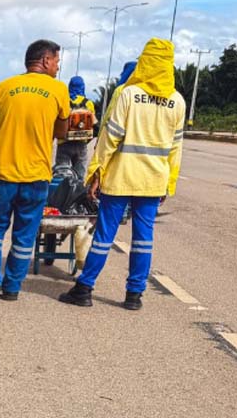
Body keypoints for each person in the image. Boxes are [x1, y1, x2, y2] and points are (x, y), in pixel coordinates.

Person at [58, 38, 184, 311]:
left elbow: (110, 138)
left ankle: (85, 288)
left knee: (104, 234)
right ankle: (134, 295)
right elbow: (176, 149)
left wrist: (95, 172)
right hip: (153, 182)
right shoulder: (177, 102)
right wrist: (169, 184)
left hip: (121, 177)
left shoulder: (129, 94)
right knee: (143, 239)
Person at [0, 39, 71, 301]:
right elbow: (62, 132)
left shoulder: (4, 87)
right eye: (56, 62)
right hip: (37, 176)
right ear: (45, 60)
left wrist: (6, 137)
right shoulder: (59, 90)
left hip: (3, 173)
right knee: (25, 234)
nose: (58, 67)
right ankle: (12, 288)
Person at [53, 76, 96, 183]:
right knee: (80, 175)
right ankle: (77, 196)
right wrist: (86, 140)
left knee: (61, 174)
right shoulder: (88, 103)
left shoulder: (64, 101)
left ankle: (61, 197)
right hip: (81, 144)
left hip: (64, 143)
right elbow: (93, 124)